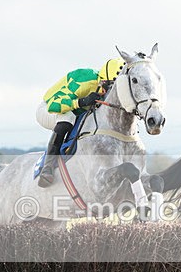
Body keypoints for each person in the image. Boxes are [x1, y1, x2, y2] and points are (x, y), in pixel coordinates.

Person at [35, 58, 125, 187]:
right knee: (67, 118)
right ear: (103, 79)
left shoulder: (104, 84)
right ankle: (48, 167)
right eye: (108, 86)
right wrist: (81, 102)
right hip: (48, 110)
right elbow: (53, 106)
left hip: (75, 113)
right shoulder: (83, 79)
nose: (109, 92)